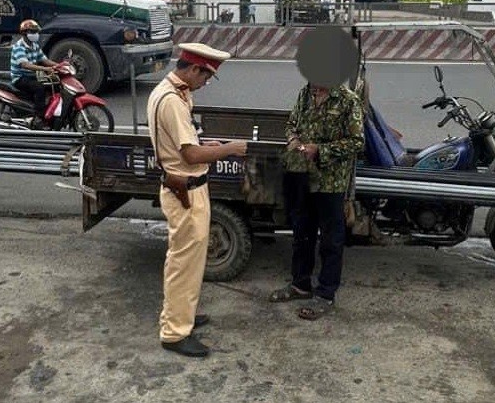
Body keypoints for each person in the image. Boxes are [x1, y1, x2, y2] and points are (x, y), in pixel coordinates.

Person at [147, 42, 248, 358]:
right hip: (186, 191)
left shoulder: (169, 91)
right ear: (193, 69)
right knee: (183, 264)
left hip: (187, 187)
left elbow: (185, 144)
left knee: (188, 263)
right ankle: (174, 333)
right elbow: (189, 154)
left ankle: (182, 316)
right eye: (206, 76)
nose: (205, 83)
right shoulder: (173, 102)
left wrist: (208, 144)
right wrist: (229, 148)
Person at [269, 80, 364, 320]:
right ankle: (300, 285)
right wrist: (293, 140)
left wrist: (320, 151)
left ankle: (325, 294)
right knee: (302, 233)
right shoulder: (305, 93)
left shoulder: (347, 100)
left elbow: (356, 142)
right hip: (302, 176)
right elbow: (291, 123)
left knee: (331, 240)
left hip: (330, 182)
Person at [10, 19, 58, 129]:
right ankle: (38, 118)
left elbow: (44, 60)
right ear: (24, 33)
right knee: (39, 88)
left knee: (53, 84)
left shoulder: (35, 45)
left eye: (36, 32)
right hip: (20, 77)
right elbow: (25, 65)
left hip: (31, 75)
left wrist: (58, 66)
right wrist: (44, 69)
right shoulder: (19, 47)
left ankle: (48, 112)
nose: (35, 34)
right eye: (32, 32)